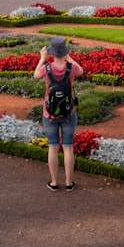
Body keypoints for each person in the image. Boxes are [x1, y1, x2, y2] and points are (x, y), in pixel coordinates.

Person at [33, 36, 84, 191]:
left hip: (49, 112)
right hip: (69, 112)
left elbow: (36, 75)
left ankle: (54, 182)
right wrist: (69, 58)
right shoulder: (71, 68)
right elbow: (81, 71)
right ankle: (69, 183)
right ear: (64, 52)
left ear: (51, 53)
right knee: (68, 147)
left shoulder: (46, 68)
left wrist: (42, 59)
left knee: (53, 147)